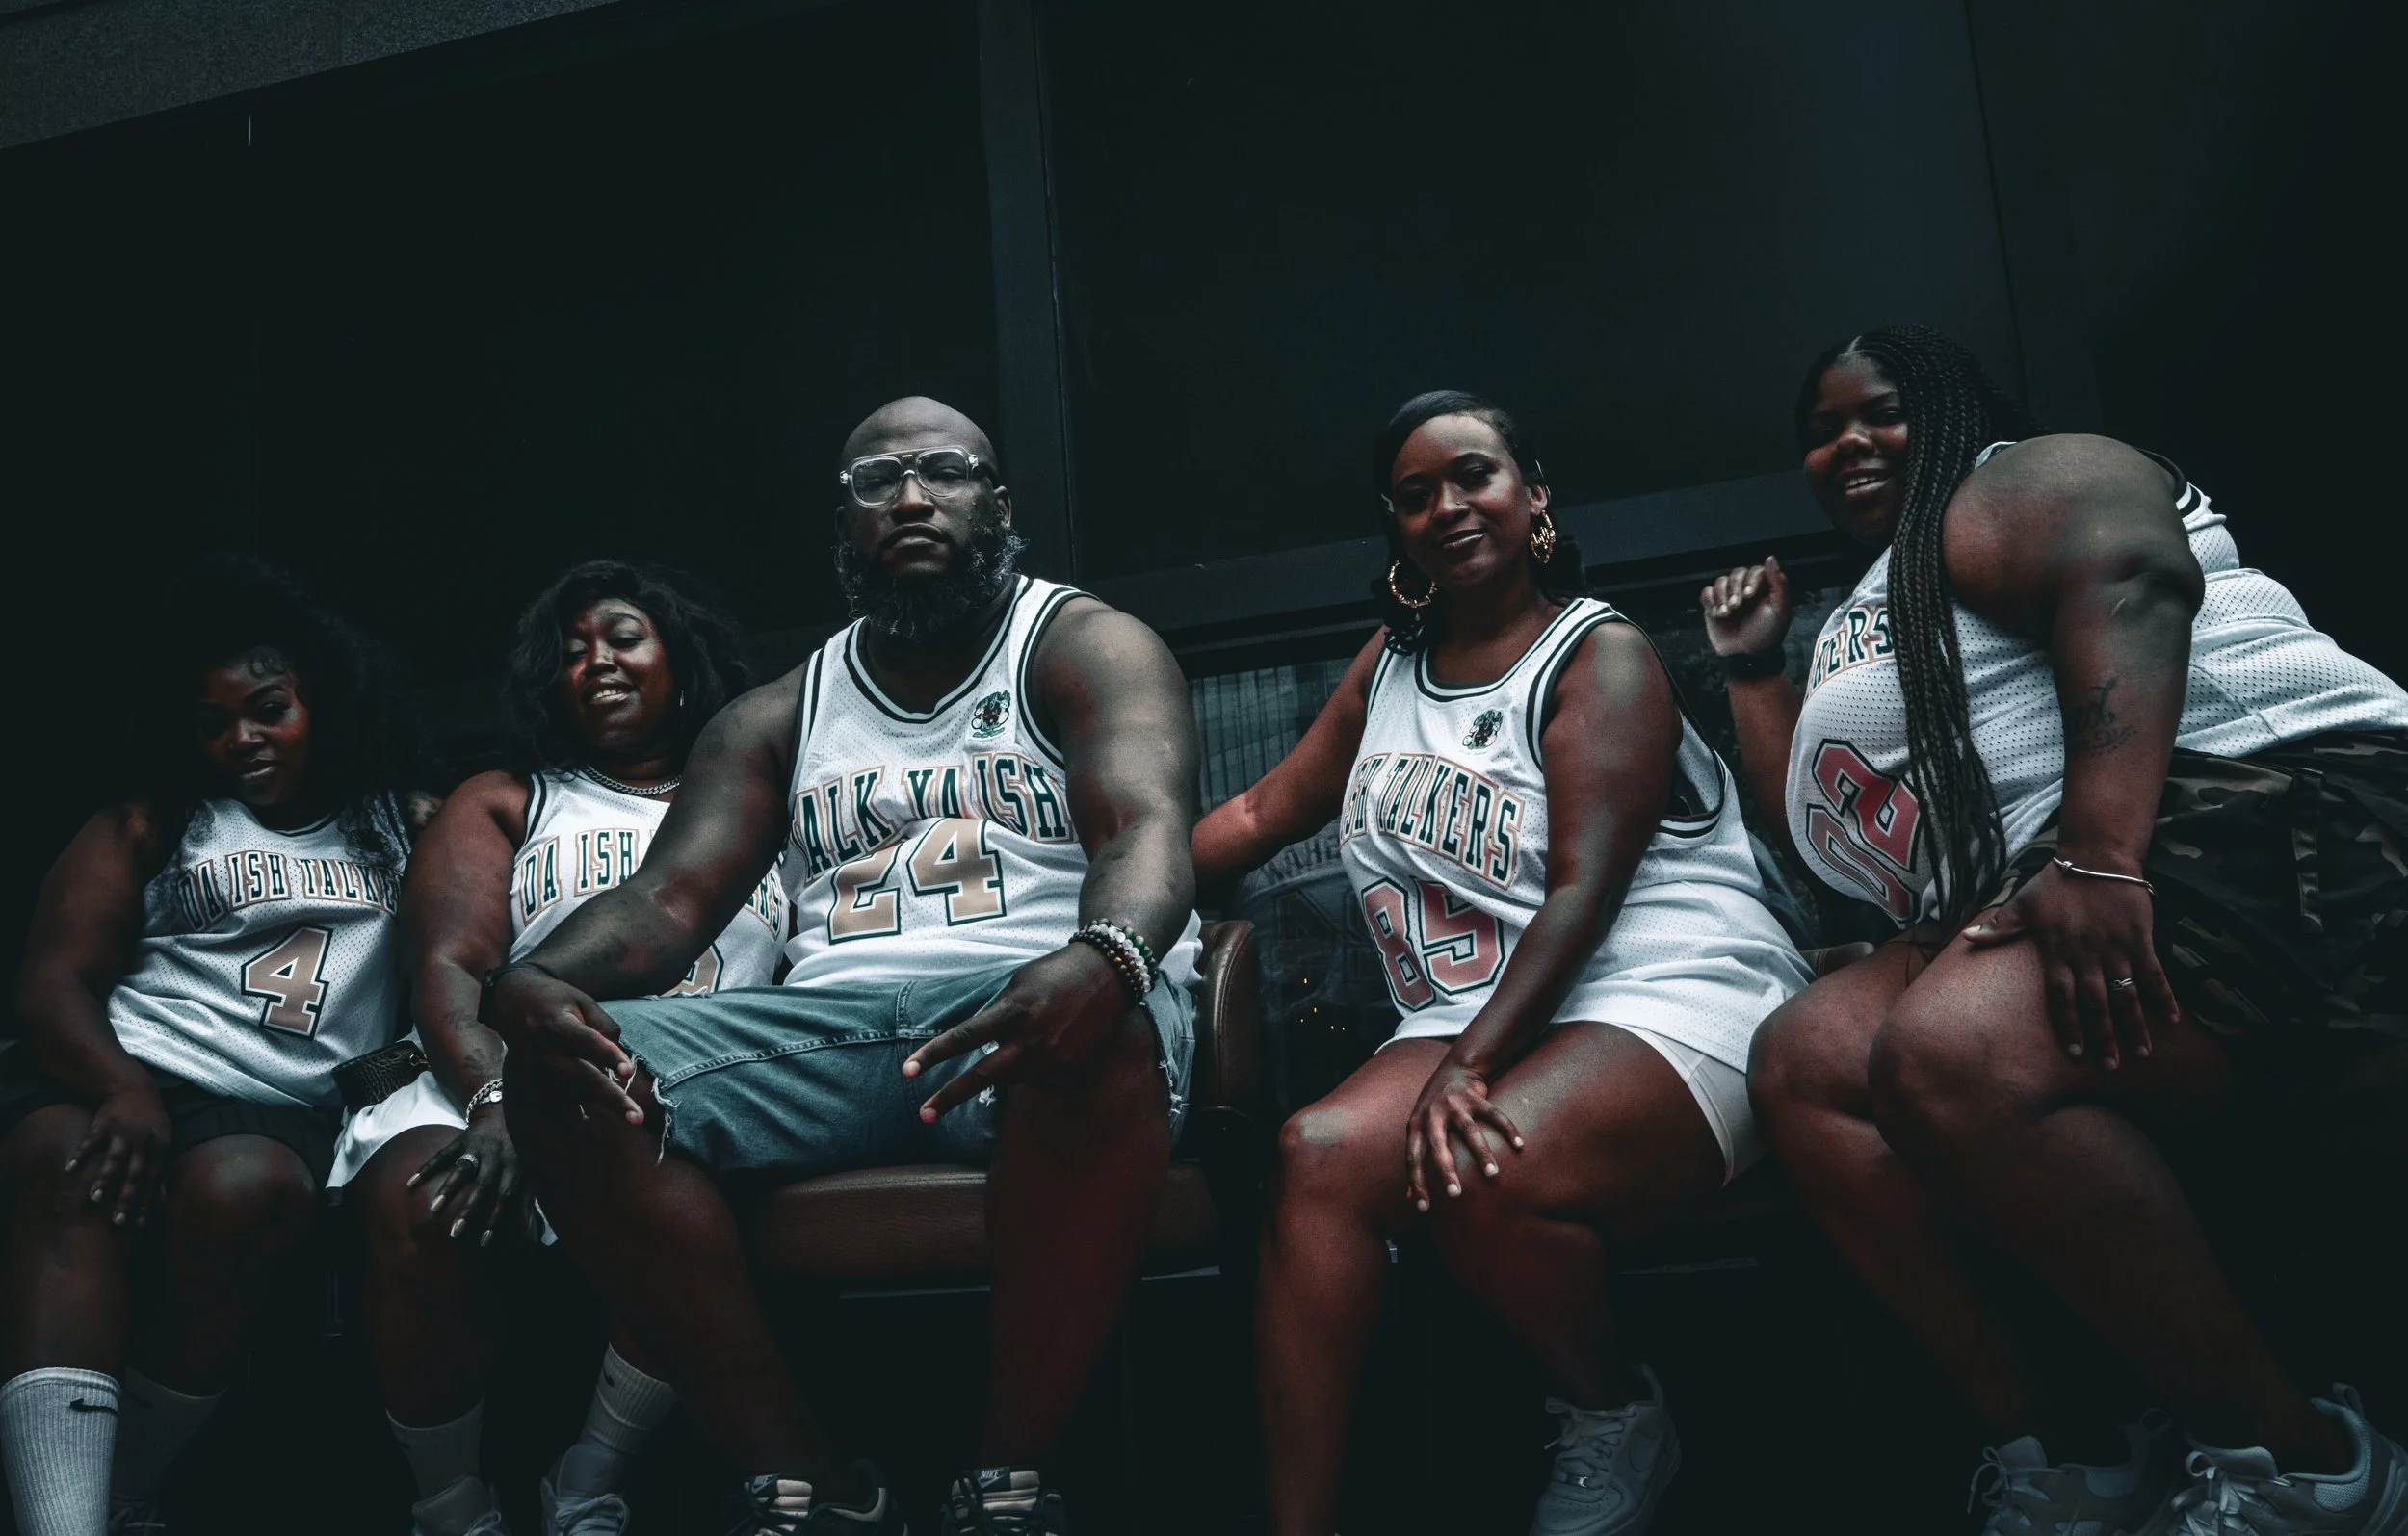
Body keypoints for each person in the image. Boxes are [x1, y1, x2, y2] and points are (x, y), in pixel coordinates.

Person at [1708, 324, 2408, 1536]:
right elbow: (1820, 825)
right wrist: (1756, 669)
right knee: (1807, 1059)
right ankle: (2080, 1459)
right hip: (2082, 860)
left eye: (1879, 409)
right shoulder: (1874, 604)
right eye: (1818, 431)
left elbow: (2126, 569)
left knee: (1948, 1052)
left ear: (1957, 410)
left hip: (2280, 803)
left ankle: (2305, 1470)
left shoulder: (2009, 478)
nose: (1846, 442)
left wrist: (2096, 850)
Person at [483, 397, 1202, 1536]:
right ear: (843, 524)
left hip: (1038, 1007)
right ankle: (818, 1486)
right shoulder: (780, 711)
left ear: (998, 503)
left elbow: (1144, 827)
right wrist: (530, 982)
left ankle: (1006, 1477)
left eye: (944, 471)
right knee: (559, 1075)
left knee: (1108, 1021)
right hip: (835, 1040)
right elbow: (664, 904)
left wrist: (1106, 956)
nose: (911, 496)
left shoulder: (1082, 645)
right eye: (877, 480)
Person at [1193, 391, 1812, 1536]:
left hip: (1663, 989)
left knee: (1478, 1160)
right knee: (1316, 1153)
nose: (1445, 506)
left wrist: (1467, 1065)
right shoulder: (1388, 665)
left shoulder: (1599, 652)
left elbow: (1583, 886)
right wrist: (1112, 916)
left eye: (1470, 475)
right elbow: (1258, 809)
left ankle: (1612, 1406)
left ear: (1532, 492)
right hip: (1475, 1015)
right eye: (1414, 493)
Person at [328, 561, 783, 1536]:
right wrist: (495, 1099)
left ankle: (587, 1479)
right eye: (571, 651)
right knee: (427, 1199)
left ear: (681, 657)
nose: (597, 662)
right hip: (493, 1070)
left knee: (688, 1203)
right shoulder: (510, 799)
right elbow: (450, 967)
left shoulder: (767, 800)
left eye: (622, 636)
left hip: (686, 1089)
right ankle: (450, 1504)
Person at [0, 558, 431, 1536]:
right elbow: (52, 978)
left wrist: (373, 1079)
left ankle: (114, 1492)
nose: (242, 737)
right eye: (211, 721)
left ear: (321, 692)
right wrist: (120, 1085)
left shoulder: (407, 827)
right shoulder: (159, 819)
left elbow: (456, 985)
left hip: (272, 1109)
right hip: (122, 1071)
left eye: (267, 707)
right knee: (74, 1159)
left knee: (250, 1190)